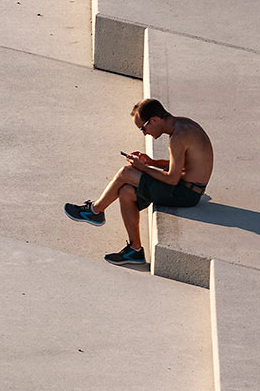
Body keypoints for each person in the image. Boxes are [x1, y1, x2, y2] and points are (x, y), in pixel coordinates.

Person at [64, 95, 214, 268]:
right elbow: (183, 164)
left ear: (154, 120)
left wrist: (142, 168)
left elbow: (172, 179)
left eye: (143, 127)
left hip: (186, 194)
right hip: (188, 187)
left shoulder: (178, 138)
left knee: (126, 172)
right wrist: (151, 162)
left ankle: (95, 211)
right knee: (126, 192)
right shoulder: (184, 125)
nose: (144, 133)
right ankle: (135, 250)